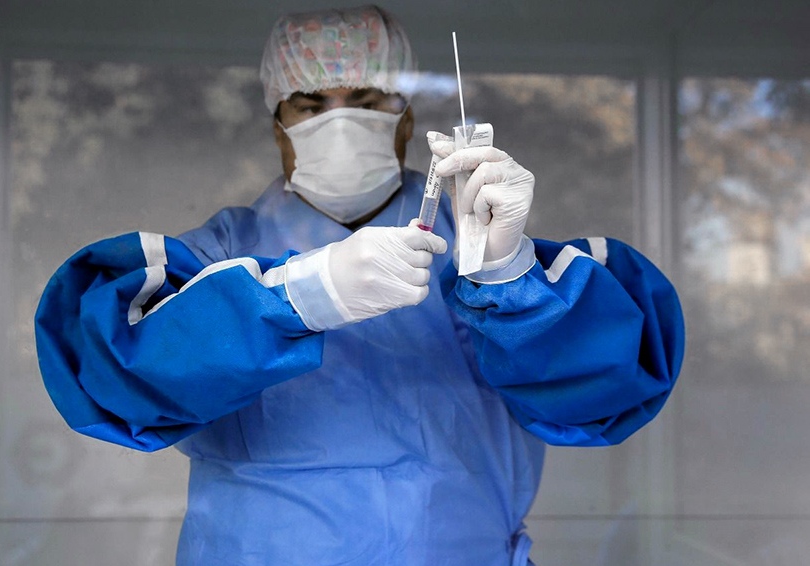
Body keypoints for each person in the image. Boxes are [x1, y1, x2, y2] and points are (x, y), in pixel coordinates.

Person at [34, 5, 685, 565]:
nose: (340, 122)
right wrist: (295, 295)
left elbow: (608, 385)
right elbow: (112, 369)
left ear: (406, 118)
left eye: (368, 101)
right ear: (278, 124)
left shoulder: (477, 247)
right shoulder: (222, 256)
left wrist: (511, 279)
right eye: (311, 104)